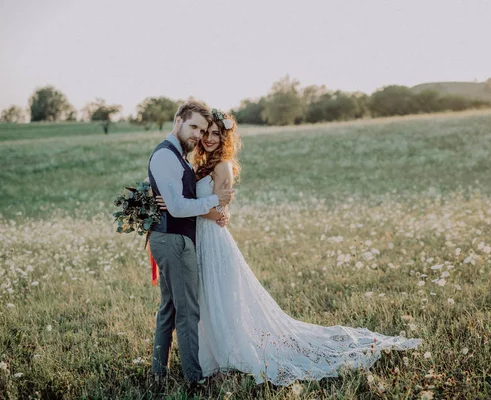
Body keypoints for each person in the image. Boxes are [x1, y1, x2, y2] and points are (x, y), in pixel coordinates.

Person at [157, 108, 421, 387]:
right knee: (206, 296)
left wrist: (181, 210)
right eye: (205, 133)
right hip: (198, 239)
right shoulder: (197, 164)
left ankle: (229, 352)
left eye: (215, 134)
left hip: (213, 239)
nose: (208, 138)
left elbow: (220, 208)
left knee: (220, 296)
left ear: (224, 138)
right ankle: (208, 351)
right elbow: (200, 200)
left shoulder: (222, 166)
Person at [147, 100, 235, 386]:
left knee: (171, 308)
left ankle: (158, 372)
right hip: (174, 239)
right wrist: (215, 202)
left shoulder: (179, 155)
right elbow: (177, 207)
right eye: (194, 127)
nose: (199, 135)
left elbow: (174, 196)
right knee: (187, 313)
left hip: (179, 237)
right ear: (178, 121)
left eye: (203, 129)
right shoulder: (166, 155)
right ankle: (194, 379)